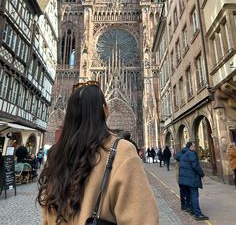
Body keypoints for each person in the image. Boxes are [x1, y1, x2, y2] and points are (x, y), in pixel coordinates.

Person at [37, 81, 159, 225]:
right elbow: (142, 219)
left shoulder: (55, 155)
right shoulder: (122, 152)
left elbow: (47, 215)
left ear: (69, 114)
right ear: (105, 110)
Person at [178, 141, 209, 221]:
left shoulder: (183, 153)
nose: (195, 148)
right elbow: (195, 165)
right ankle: (198, 214)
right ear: (191, 147)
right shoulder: (191, 153)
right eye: (194, 146)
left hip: (184, 178)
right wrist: (202, 174)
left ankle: (192, 210)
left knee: (190, 194)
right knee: (194, 195)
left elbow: (177, 158)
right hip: (191, 178)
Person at [175, 147, 192, 213]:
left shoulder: (179, 156)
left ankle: (183, 205)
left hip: (179, 178)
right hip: (185, 177)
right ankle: (187, 205)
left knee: (182, 192)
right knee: (187, 191)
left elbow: (177, 170)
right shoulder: (185, 157)